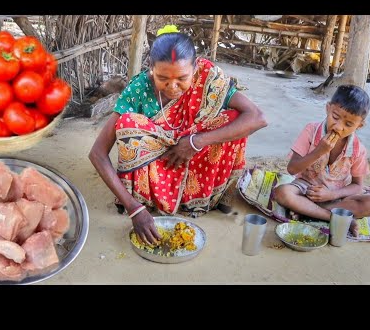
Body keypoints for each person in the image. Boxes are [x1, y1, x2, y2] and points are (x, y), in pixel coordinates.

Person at [89, 25, 267, 245]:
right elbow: (97, 153)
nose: (172, 86)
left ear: (195, 68)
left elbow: (258, 117)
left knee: (234, 119)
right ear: (151, 69)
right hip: (159, 167)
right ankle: (146, 201)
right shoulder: (138, 90)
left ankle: (209, 198)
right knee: (128, 123)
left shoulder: (209, 78)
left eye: (182, 78)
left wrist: (196, 141)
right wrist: (134, 209)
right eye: (162, 77)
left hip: (196, 159)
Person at [274, 84, 370, 237]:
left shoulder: (358, 149)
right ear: (328, 108)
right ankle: (334, 218)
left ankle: (307, 212)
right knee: (282, 193)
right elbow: (292, 169)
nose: (338, 127)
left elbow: (357, 186)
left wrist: (332, 195)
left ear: (360, 125)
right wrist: (318, 152)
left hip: (336, 197)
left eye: (349, 124)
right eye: (335, 117)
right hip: (305, 189)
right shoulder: (311, 131)